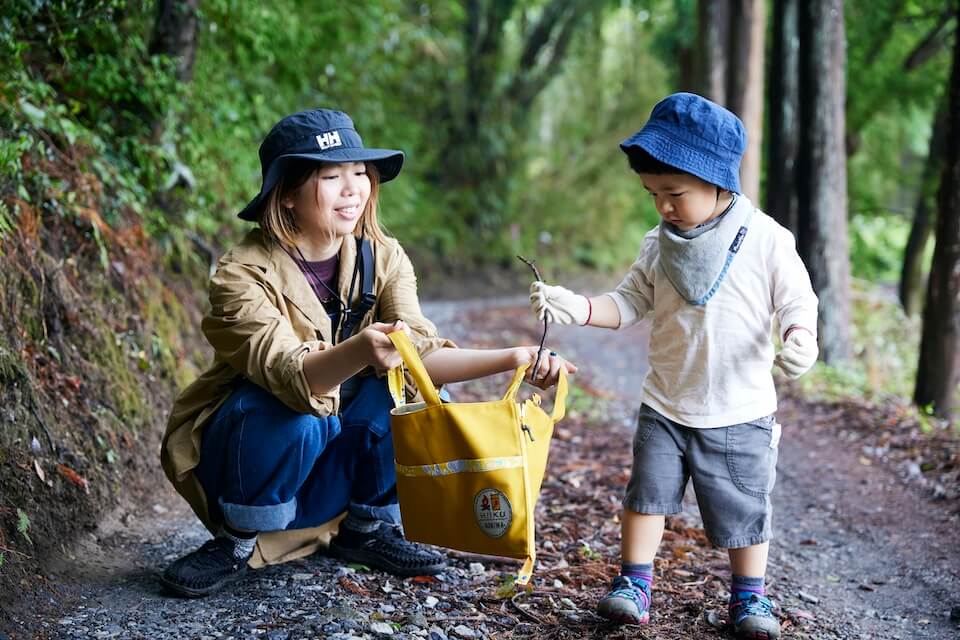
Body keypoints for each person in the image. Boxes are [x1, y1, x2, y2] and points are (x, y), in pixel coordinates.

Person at [160, 108, 575, 598]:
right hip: (252, 460)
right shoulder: (242, 274)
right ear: (287, 194)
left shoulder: (384, 257)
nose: (353, 188)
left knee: (410, 392)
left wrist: (514, 358)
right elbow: (290, 374)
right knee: (298, 414)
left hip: (325, 481)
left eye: (360, 173)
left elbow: (421, 356)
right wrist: (359, 350)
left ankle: (366, 528)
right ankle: (235, 541)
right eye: (331, 176)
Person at [529, 93, 819, 639]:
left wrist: (800, 335)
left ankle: (749, 597)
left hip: (739, 408)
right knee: (647, 497)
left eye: (674, 194)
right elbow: (629, 302)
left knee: (744, 508)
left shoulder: (767, 240)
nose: (662, 206)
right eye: (653, 194)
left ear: (718, 182)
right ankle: (634, 584)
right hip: (665, 401)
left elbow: (797, 301)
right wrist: (580, 307)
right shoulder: (657, 245)